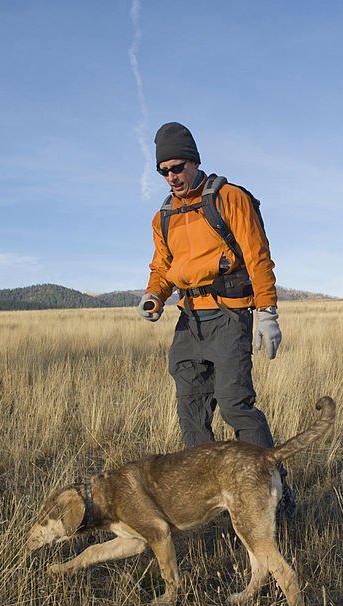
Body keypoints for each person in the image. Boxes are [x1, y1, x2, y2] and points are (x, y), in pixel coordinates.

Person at [137, 122, 296, 517]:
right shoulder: (164, 217)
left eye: (177, 167)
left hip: (229, 315)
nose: (171, 177)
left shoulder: (230, 199)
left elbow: (258, 256)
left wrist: (267, 312)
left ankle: (275, 496)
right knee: (191, 411)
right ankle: (210, 500)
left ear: (194, 162)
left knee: (235, 405)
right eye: (164, 171)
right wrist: (153, 296)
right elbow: (162, 266)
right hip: (189, 321)